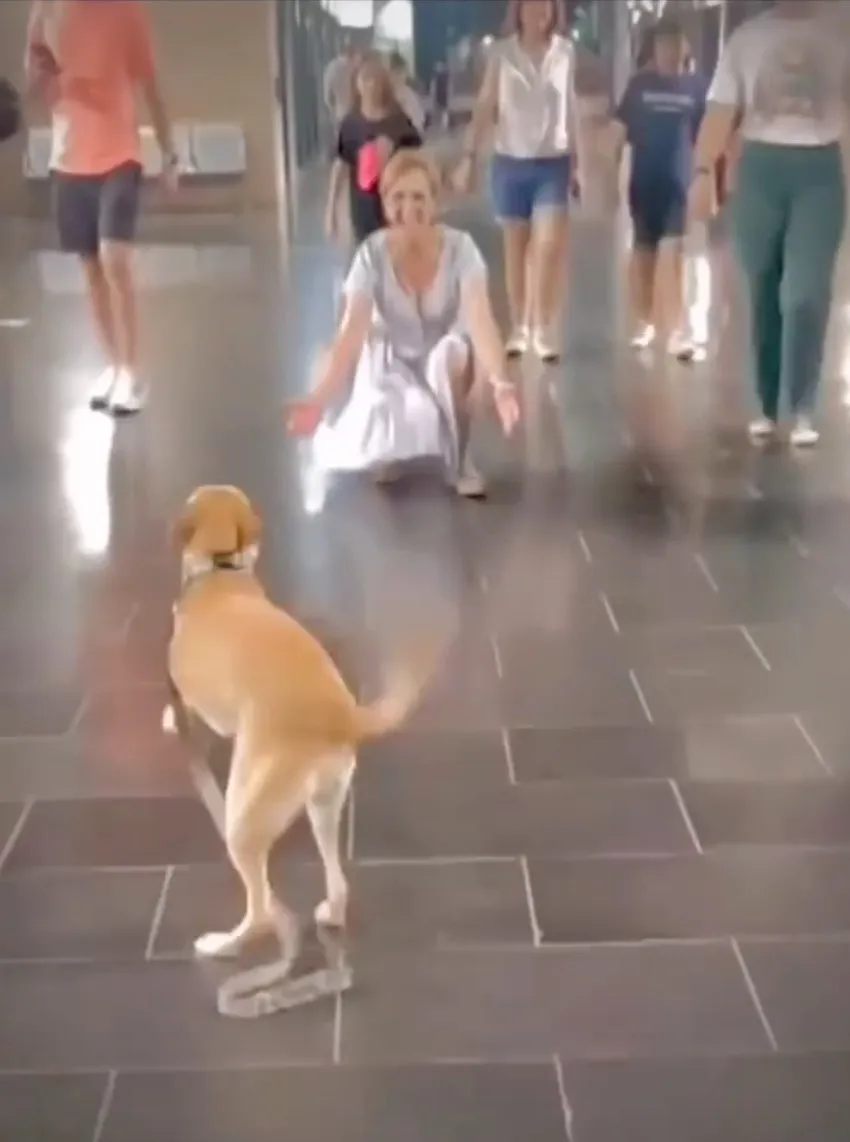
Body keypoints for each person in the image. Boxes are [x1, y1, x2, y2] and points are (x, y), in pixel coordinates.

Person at [288, 149, 520, 498]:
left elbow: (481, 319)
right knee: (372, 361)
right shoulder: (371, 255)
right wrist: (317, 401)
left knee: (451, 355)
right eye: (397, 197)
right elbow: (349, 335)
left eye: (418, 197)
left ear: (435, 204)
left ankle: (459, 460)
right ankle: (391, 447)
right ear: (384, 204)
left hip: (444, 357)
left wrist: (501, 384)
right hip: (391, 360)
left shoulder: (462, 249)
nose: (407, 207)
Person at [689, 0, 846, 447]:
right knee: (762, 285)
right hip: (761, 168)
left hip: (819, 170)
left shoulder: (839, 33)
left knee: (804, 291)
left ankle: (802, 406)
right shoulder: (747, 39)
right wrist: (703, 171)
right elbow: (722, 110)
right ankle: (764, 403)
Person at [25, 0, 178, 415]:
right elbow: (36, 80)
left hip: (119, 154)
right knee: (90, 267)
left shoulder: (126, 11)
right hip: (69, 159)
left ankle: (132, 370)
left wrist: (170, 153)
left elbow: (150, 86)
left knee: (115, 259)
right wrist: (47, 81)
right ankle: (114, 364)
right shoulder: (46, 8)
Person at [455, 0, 582, 362]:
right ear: (519, 10)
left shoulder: (565, 52)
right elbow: (485, 104)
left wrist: (579, 162)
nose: (539, 11)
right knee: (515, 249)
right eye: (532, 5)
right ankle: (519, 327)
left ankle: (542, 326)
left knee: (546, 246)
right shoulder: (501, 53)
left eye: (546, 6)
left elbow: (570, 107)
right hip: (510, 162)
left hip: (552, 164)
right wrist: (469, 156)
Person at [610, 19, 706, 359]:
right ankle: (646, 320)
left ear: (685, 48)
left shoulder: (696, 88)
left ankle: (677, 331)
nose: (671, 52)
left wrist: (711, 180)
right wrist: (609, 172)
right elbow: (618, 129)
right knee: (644, 256)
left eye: (677, 45)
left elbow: (707, 136)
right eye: (665, 45)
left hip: (678, 185)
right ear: (655, 49)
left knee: (674, 253)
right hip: (644, 183)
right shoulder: (639, 86)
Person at [325, 52, 422, 247]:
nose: (370, 85)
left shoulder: (399, 122)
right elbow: (341, 166)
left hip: (396, 212)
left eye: (375, 78)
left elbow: (417, 163)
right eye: (365, 78)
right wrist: (331, 211)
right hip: (362, 213)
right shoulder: (350, 124)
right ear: (356, 83)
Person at [387, 52, 427, 136]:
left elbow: (419, 121)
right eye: (396, 73)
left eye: (402, 73)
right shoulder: (386, 95)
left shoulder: (409, 94)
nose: (401, 77)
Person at [323, 46, 360, 128]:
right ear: (352, 54)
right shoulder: (355, 68)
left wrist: (333, 111)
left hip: (340, 115)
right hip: (357, 115)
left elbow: (328, 98)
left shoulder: (330, 68)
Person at [431, 62, 450, 131]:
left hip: (440, 94)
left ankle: (442, 124)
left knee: (441, 110)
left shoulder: (437, 77)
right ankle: (443, 124)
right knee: (443, 110)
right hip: (443, 94)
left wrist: (433, 94)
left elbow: (434, 87)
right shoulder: (445, 76)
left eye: (437, 67)